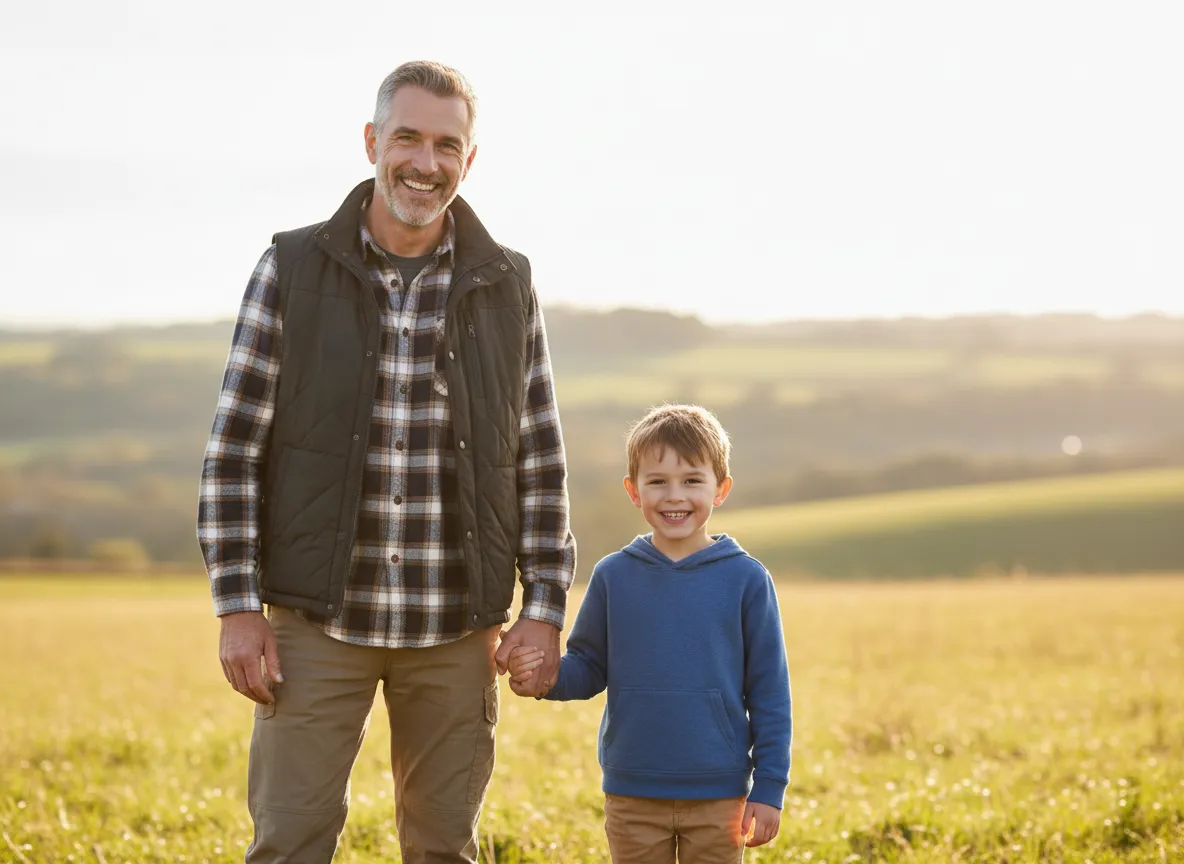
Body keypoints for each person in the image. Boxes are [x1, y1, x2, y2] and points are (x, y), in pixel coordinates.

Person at [196, 60, 576, 863]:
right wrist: (236, 604)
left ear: (468, 161)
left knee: (444, 848)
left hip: (454, 629)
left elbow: (537, 456)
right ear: (373, 142)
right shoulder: (291, 268)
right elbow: (234, 449)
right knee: (290, 842)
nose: (425, 162)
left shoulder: (509, 283)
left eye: (447, 145)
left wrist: (543, 604)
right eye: (407, 137)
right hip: (313, 624)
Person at [508, 404, 792, 862]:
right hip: (632, 791)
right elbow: (589, 667)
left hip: (720, 792)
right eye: (657, 481)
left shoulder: (746, 579)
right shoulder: (613, 576)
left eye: (692, 480)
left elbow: (770, 693)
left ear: (721, 490)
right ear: (634, 491)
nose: (674, 496)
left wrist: (771, 787)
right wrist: (545, 677)